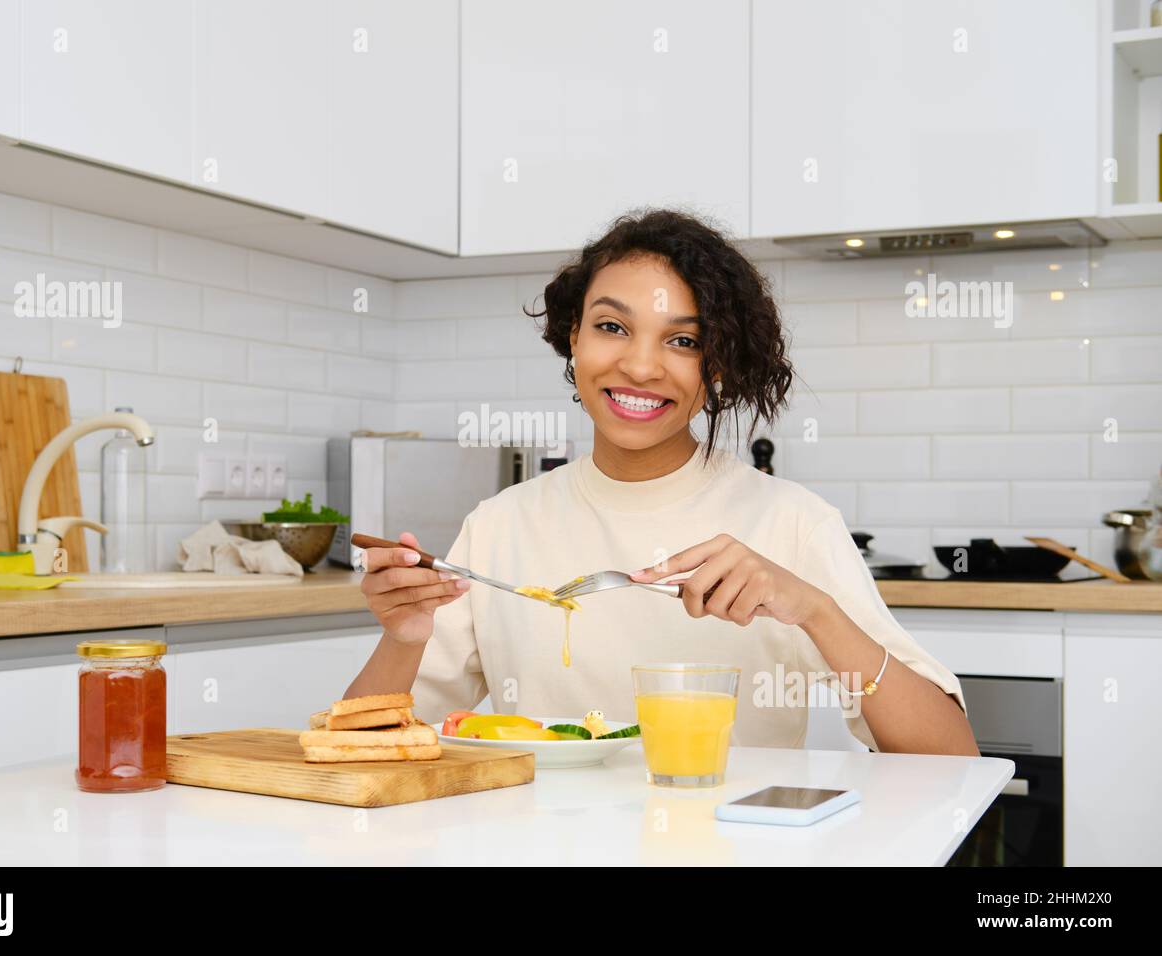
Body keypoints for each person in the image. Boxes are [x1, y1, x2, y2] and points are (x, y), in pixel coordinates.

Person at [344, 208, 977, 755]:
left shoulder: (792, 524)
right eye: (612, 327)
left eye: (682, 340)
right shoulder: (498, 526)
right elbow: (357, 752)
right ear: (574, 338)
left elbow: (952, 757)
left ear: (719, 366)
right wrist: (404, 639)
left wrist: (814, 610)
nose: (640, 366)